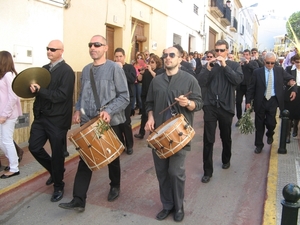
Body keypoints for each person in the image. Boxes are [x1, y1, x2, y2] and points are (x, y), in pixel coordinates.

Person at [59, 35, 129, 212]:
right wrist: (77, 109)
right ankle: (79, 199)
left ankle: (115, 185)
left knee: (112, 158)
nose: (93, 47)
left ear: (106, 48)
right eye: (90, 44)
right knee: (85, 160)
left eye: (97, 44)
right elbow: (82, 94)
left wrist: (109, 111)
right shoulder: (86, 69)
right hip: (88, 122)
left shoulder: (114, 68)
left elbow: (124, 96)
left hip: (108, 122)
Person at [145, 46, 203, 222]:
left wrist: (188, 104)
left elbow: (199, 104)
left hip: (179, 134)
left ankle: (179, 207)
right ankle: (167, 205)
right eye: (166, 55)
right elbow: (149, 103)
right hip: (159, 135)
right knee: (162, 172)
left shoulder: (189, 80)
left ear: (180, 58)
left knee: (175, 172)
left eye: (172, 55)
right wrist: (150, 117)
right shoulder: (157, 81)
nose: (168, 58)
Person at [28, 40, 75, 202]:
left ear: (61, 51)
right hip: (42, 117)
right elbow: (39, 93)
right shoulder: (44, 69)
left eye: (53, 49)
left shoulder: (67, 71)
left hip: (57, 119)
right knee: (34, 147)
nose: (49, 51)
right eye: (48, 49)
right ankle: (55, 171)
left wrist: (42, 91)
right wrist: (34, 90)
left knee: (57, 153)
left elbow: (62, 96)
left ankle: (58, 185)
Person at [198, 40, 243, 183]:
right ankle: (207, 171)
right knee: (208, 140)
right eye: (216, 51)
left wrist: (224, 65)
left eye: (222, 50)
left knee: (225, 136)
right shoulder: (210, 66)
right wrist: (207, 69)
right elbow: (201, 82)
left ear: (227, 51)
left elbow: (237, 80)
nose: (219, 53)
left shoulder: (235, 65)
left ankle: (226, 159)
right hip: (210, 106)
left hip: (226, 107)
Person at [246, 52, 297, 154]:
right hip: (260, 100)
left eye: (272, 63)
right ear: (264, 61)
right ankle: (259, 145)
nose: (270, 65)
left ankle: (270, 134)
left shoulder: (279, 71)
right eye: (268, 63)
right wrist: (248, 101)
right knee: (259, 125)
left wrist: (293, 89)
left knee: (271, 122)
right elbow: (251, 88)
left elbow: (291, 79)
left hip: (273, 100)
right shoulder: (257, 72)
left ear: (275, 62)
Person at [0, 51, 22, 179]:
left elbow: (13, 97)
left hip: (8, 115)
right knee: (2, 140)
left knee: (6, 140)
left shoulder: (9, 75)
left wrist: (4, 115)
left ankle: (14, 168)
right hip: (2, 114)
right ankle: (14, 158)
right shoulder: (3, 75)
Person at [134, 54, 162, 139]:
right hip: (145, 95)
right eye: (149, 62)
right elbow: (139, 80)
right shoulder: (146, 71)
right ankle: (141, 133)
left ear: (157, 63)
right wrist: (141, 73)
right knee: (144, 115)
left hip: (154, 96)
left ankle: (153, 133)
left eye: (152, 62)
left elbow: (157, 78)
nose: (150, 64)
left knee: (153, 114)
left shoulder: (159, 71)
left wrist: (150, 70)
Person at [114, 47, 136, 154]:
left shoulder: (129, 67)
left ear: (124, 57)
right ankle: (121, 144)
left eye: (120, 56)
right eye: (116, 57)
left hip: (126, 99)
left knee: (126, 122)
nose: (118, 59)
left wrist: (121, 69)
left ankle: (129, 145)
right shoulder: (112, 67)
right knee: (116, 124)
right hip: (115, 100)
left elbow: (132, 79)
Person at [235, 49, 259, 127]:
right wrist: (240, 65)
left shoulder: (253, 63)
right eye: (244, 55)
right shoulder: (239, 64)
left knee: (248, 103)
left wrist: (248, 64)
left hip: (249, 87)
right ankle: (239, 118)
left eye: (247, 55)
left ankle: (245, 119)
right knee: (238, 102)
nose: (245, 56)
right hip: (240, 86)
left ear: (249, 55)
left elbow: (256, 70)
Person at [284, 54, 300, 142]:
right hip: (291, 92)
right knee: (289, 114)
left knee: (298, 112)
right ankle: (287, 134)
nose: (299, 64)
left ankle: (295, 129)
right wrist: (289, 83)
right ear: (294, 61)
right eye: (297, 62)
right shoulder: (289, 69)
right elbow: (285, 80)